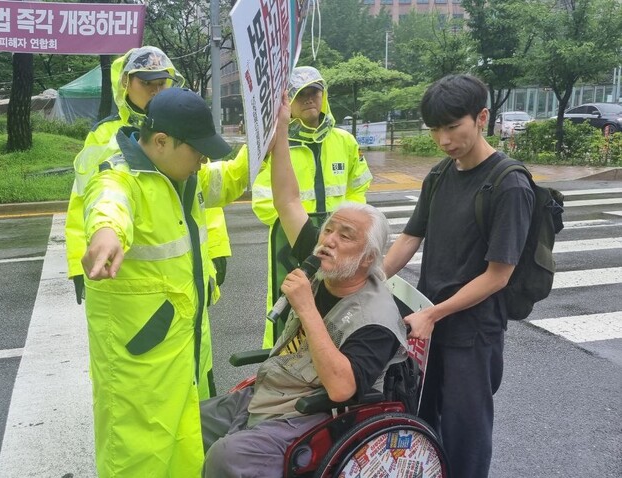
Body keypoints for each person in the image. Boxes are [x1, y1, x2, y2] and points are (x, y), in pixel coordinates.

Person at [200, 94, 407, 477]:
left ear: (367, 258)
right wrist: (279, 131)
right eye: (329, 228)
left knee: (226, 457)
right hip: (272, 391)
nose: (328, 239)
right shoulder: (327, 263)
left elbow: (343, 388)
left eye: (345, 235)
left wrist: (307, 309)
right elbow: (288, 200)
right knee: (185, 425)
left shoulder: (376, 318)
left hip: (313, 415)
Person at [81, 87, 248, 477]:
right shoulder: (121, 179)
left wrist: (264, 143)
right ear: (161, 142)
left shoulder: (183, 176)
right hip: (140, 360)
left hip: (182, 346)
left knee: (186, 445)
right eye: (197, 150)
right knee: (140, 456)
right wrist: (106, 233)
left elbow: (229, 181)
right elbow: (108, 205)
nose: (204, 159)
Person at [383, 74, 534, 478]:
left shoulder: (509, 184)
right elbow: (409, 238)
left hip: (472, 330)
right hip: (429, 323)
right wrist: (368, 280)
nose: (444, 139)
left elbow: (498, 275)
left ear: (481, 117)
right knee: (423, 420)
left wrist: (434, 315)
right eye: (435, 129)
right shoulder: (439, 175)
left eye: (453, 127)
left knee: (466, 434)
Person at [65, 45, 233, 399]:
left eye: (163, 82)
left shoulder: (182, 122)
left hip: (185, 285)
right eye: (148, 83)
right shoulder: (107, 138)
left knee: (192, 379)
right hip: (132, 286)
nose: (157, 89)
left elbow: (204, 194)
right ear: (126, 83)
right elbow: (100, 197)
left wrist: (216, 250)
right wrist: (85, 255)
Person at [241, 66, 373, 348]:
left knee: (342, 306)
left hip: (341, 241)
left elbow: (359, 187)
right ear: (289, 103)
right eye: (300, 95)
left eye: (314, 92)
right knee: (289, 306)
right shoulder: (279, 145)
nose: (309, 99)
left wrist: (350, 228)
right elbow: (265, 201)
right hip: (292, 241)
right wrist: (305, 234)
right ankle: (280, 363)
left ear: (323, 94)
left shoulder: (344, 141)